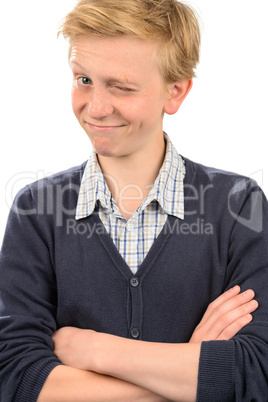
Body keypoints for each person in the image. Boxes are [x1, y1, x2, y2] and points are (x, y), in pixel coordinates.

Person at [0, 0, 267, 401]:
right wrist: (188, 370)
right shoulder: (35, 211)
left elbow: (257, 372)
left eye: (121, 87)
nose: (96, 108)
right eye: (83, 80)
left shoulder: (238, 206)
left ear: (175, 92)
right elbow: (16, 378)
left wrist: (93, 349)